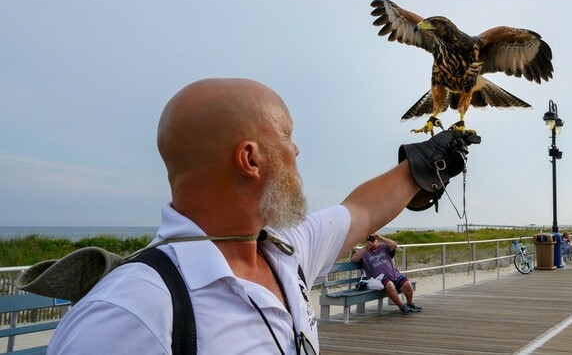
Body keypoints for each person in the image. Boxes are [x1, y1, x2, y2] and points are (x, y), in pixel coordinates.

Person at [48, 78, 479, 354]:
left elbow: (361, 210)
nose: (296, 150)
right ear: (249, 159)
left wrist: (422, 164)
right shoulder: (129, 315)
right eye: (287, 135)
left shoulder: (285, 248)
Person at [351, 234, 420, 314]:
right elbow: (354, 259)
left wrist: (380, 237)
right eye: (371, 240)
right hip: (379, 278)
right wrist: (367, 247)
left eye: (375, 240)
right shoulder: (364, 253)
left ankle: (410, 303)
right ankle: (402, 307)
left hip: (394, 275)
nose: (374, 242)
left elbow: (394, 245)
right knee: (389, 284)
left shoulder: (383, 247)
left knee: (407, 284)